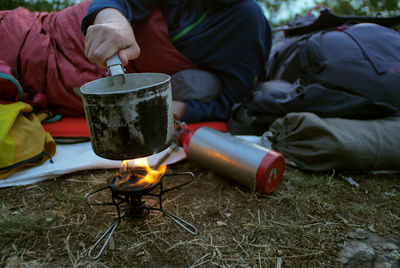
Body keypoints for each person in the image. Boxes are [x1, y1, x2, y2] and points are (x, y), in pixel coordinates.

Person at [81, 0, 272, 122]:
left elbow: (233, 101)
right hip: (82, 42)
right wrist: (113, 20)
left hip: (133, 83)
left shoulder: (246, 20)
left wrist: (183, 109)